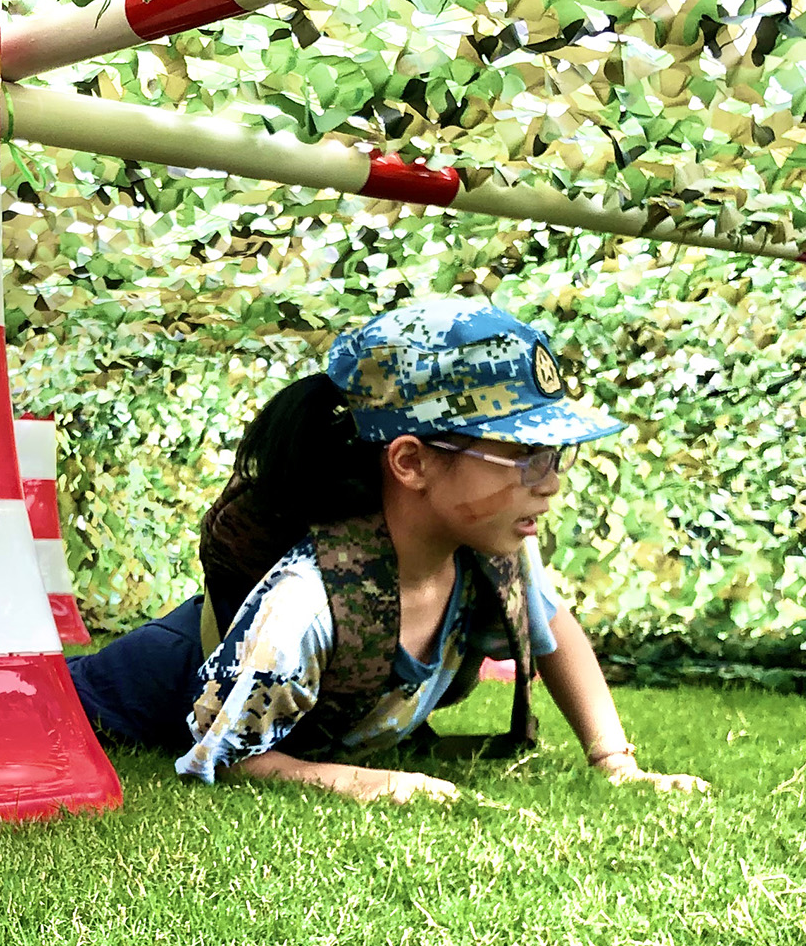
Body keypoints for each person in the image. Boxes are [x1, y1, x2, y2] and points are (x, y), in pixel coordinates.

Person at [68, 300, 707, 804]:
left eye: (555, 455)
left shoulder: (492, 548)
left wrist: (614, 761)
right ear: (410, 461)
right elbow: (227, 758)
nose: (552, 481)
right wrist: (367, 782)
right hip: (100, 707)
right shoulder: (305, 603)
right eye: (523, 457)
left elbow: (553, 628)